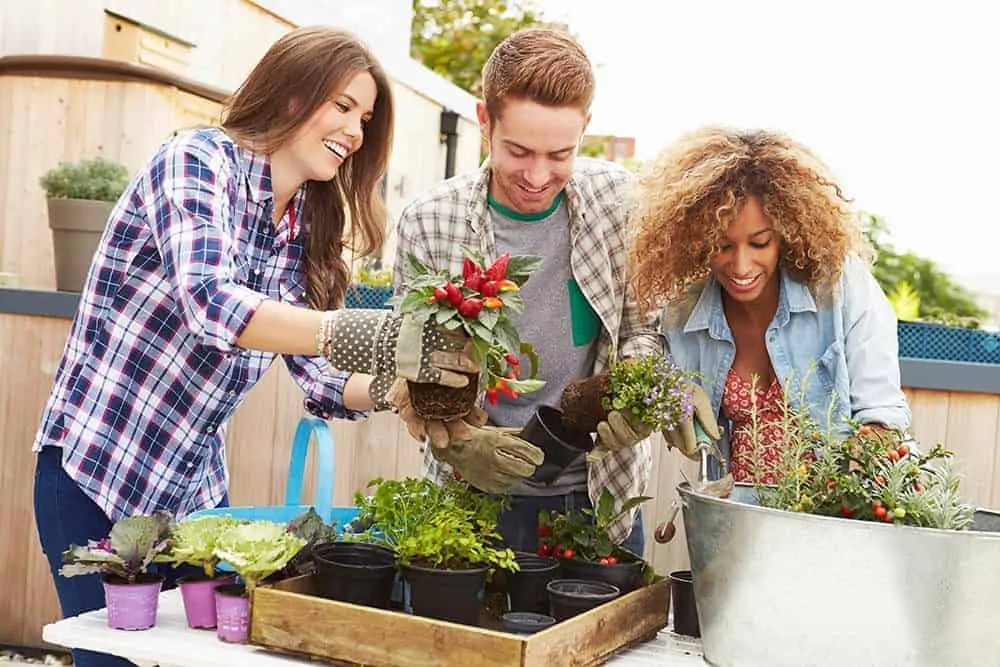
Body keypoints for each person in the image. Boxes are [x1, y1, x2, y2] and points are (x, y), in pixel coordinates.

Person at [32, 27, 476, 667]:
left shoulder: (303, 228)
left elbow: (322, 379)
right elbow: (211, 303)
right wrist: (366, 333)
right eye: (343, 106)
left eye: (366, 118)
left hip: (192, 497)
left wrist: (400, 391)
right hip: (97, 475)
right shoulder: (194, 162)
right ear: (292, 93)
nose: (354, 132)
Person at [392, 28, 719, 553]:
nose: (538, 175)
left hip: (599, 500)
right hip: (468, 505)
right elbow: (410, 366)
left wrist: (635, 397)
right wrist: (456, 442)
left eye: (560, 154)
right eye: (518, 150)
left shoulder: (621, 207)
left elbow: (644, 330)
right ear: (484, 121)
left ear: (585, 127)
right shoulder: (430, 222)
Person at [629, 126, 912, 481]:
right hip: (741, 517)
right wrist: (671, 398)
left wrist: (853, 487)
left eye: (760, 243)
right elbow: (647, 374)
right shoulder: (684, 311)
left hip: (835, 516)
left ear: (786, 234)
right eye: (722, 246)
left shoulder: (841, 287)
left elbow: (882, 413)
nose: (741, 266)